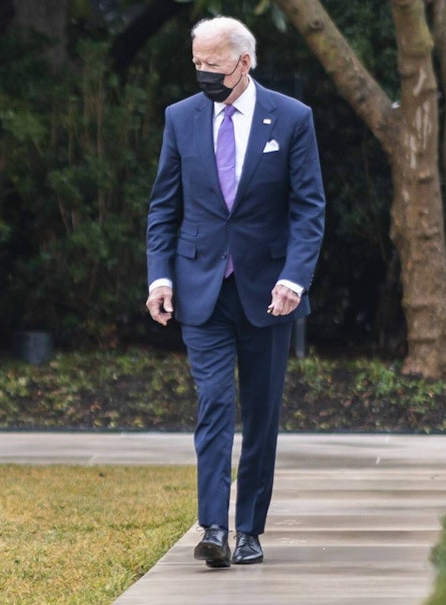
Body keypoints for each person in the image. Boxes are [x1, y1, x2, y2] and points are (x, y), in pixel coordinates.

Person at [143, 15, 325, 568]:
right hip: (201, 290)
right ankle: (214, 529)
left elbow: (308, 208)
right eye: (196, 63)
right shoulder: (181, 118)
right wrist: (160, 276)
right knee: (215, 403)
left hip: (269, 292)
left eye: (213, 65)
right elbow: (164, 207)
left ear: (244, 62)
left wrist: (294, 278)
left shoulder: (292, 118)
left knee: (263, 412)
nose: (203, 73)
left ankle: (250, 529)